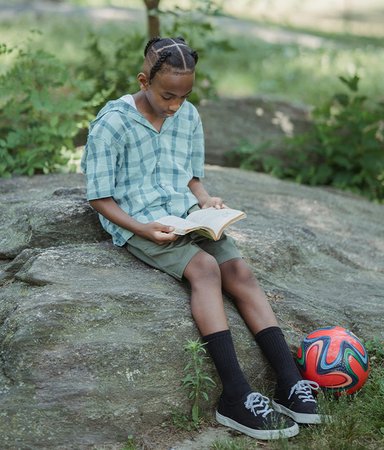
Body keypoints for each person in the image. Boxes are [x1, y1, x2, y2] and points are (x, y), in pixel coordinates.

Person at [81, 36, 324, 440]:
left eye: (184, 95)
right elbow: (99, 197)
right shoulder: (112, 124)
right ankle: (235, 395)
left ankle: (289, 380)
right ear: (144, 81)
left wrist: (206, 201)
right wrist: (142, 229)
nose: (176, 105)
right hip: (138, 220)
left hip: (185, 214)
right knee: (206, 269)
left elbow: (191, 175)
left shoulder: (187, 115)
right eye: (167, 96)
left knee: (240, 271)